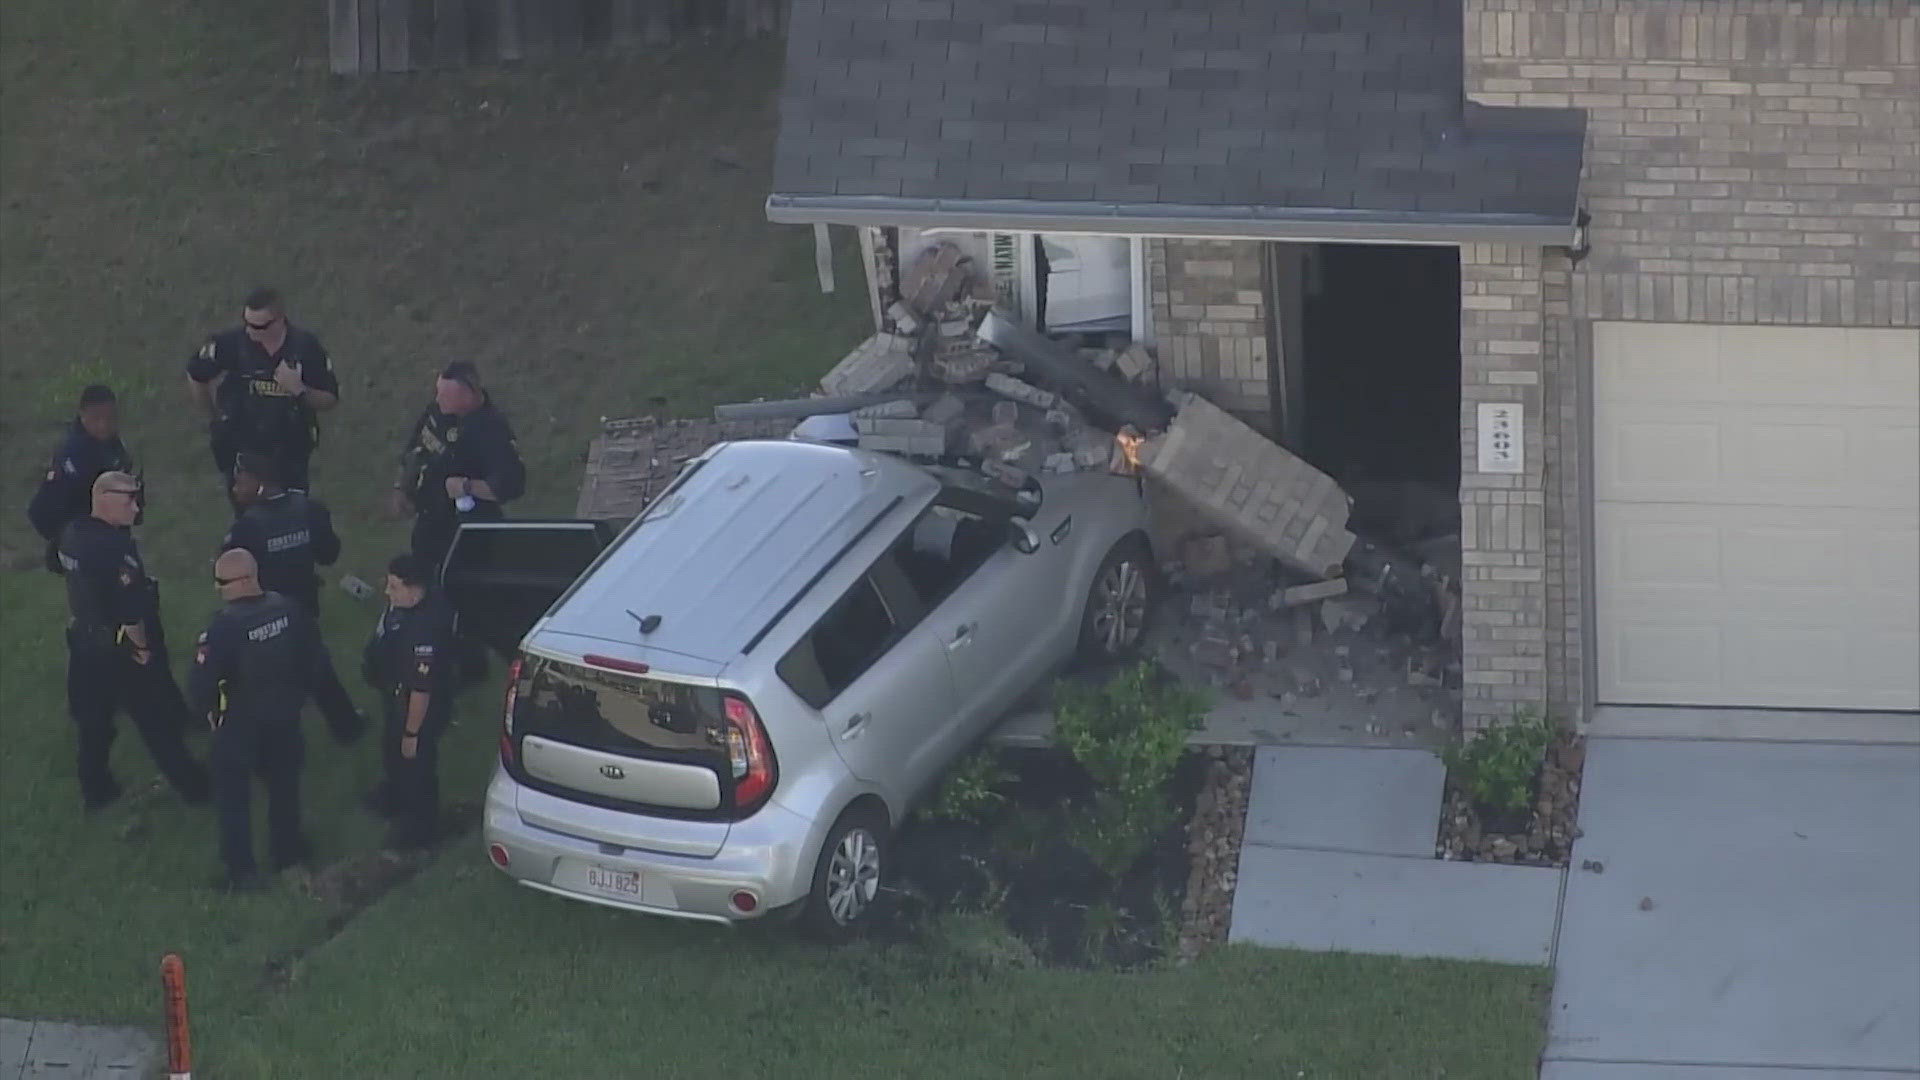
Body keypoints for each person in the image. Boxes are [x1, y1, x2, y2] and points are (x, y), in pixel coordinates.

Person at [58, 472, 211, 810]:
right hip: (121, 649)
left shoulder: (72, 534)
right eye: (129, 499)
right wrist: (141, 648)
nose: (136, 506)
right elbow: (130, 612)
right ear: (104, 498)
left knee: (94, 722)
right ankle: (197, 789)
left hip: (84, 641)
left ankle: (96, 789)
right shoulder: (114, 547)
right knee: (156, 725)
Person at [188, 549, 326, 891]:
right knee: (284, 787)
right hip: (284, 715)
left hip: (240, 724)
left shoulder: (223, 628)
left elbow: (202, 684)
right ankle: (288, 852)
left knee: (233, 799)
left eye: (223, 582)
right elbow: (313, 659)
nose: (218, 589)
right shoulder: (289, 609)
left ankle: (242, 872)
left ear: (247, 578)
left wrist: (209, 714)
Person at [221, 452, 366, 745]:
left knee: (272, 678)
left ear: (259, 482)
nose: (235, 488)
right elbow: (329, 554)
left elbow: (231, 570)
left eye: (240, 481)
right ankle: (347, 726)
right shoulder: (309, 509)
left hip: (262, 612)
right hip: (303, 606)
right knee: (314, 663)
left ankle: (276, 744)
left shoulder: (247, 527)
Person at [186, 287, 339, 510]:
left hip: (289, 451)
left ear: (279, 321)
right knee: (250, 522)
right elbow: (196, 374)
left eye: (259, 326)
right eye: (247, 323)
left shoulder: (305, 347)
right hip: (243, 449)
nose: (250, 331)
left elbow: (330, 398)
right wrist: (214, 418)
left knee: (292, 516)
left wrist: (299, 390)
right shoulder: (231, 344)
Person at [389, 362, 525, 576]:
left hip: (466, 531)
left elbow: (511, 485)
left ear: (467, 396)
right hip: (428, 521)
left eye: (444, 395)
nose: (437, 399)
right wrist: (401, 487)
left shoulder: (492, 430)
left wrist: (467, 486)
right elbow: (415, 448)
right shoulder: (438, 412)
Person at [360, 554, 458, 848]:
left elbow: (421, 689)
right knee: (392, 750)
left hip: (417, 706)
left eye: (394, 586)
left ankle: (420, 827)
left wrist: (412, 732)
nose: (387, 593)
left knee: (416, 761)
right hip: (395, 694)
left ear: (415, 591)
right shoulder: (405, 605)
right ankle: (394, 794)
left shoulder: (424, 630)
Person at [28, 385, 135, 574]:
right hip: (83, 539)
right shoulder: (74, 454)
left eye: (109, 419)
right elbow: (42, 511)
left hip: (109, 536)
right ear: (82, 414)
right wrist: (67, 542)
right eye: (96, 419)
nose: (103, 425)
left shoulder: (113, 446)